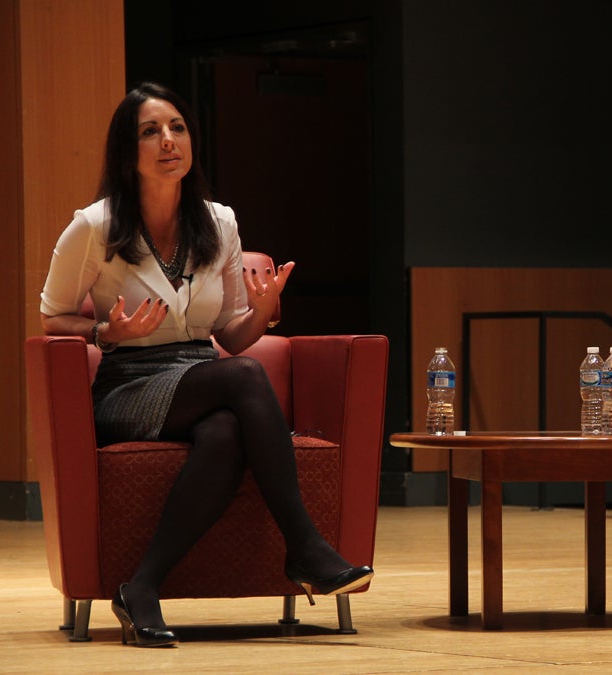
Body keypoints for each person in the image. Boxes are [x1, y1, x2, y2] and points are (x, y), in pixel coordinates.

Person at [39, 82, 373, 648]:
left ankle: (140, 587)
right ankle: (305, 546)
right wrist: (104, 332)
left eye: (177, 128)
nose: (168, 141)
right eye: (150, 131)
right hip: (129, 385)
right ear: (127, 152)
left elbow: (233, 337)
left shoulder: (218, 223)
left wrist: (263, 312)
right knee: (243, 380)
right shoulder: (94, 227)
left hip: (200, 377)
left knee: (223, 433)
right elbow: (52, 319)